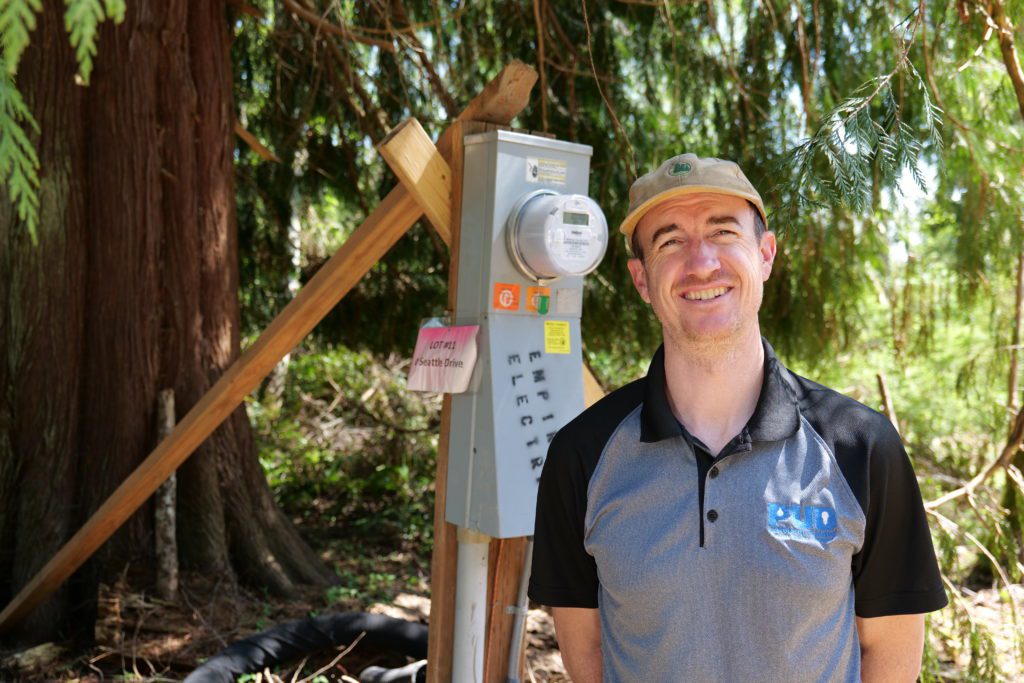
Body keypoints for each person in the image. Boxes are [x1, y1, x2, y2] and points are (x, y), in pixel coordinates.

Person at [527, 153, 947, 682]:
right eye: (670, 241)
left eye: (724, 232)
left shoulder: (860, 449)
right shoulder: (582, 457)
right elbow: (586, 650)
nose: (701, 262)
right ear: (640, 278)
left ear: (765, 254)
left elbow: (888, 650)